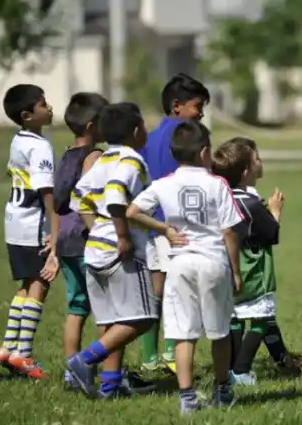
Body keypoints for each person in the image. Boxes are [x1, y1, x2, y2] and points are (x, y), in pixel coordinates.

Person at [65, 102, 187, 399]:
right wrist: (121, 235)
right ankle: (84, 360)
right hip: (122, 252)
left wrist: (97, 230)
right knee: (142, 317)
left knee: (110, 321)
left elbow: (79, 197)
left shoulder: (103, 159)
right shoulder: (131, 161)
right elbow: (117, 196)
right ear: (136, 132)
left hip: (95, 250)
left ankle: (109, 386)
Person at [127, 120, 243, 415]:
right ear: (205, 152)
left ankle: (187, 398)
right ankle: (222, 390)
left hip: (179, 264)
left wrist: (164, 229)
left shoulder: (163, 184)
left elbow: (132, 212)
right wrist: (236, 270)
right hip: (213, 262)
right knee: (219, 332)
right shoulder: (218, 184)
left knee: (183, 334)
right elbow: (229, 231)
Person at [212, 139, 302, 386]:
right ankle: (242, 370)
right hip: (253, 270)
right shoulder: (251, 203)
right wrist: (275, 211)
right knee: (260, 318)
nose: (260, 163)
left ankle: (235, 366)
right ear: (245, 172)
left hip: (224, 268)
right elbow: (271, 234)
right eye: (257, 160)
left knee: (233, 317)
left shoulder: (218, 197)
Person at [139, 73, 211, 374]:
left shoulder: (148, 138)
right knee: (178, 291)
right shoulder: (185, 139)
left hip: (151, 226)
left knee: (156, 290)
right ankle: (172, 352)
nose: (201, 113)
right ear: (177, 106)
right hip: (177, 228)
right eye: (198, 106)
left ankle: (149, 357)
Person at [0, 84, 60, 380]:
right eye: (42, 104)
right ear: (27, 115)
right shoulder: (40, 146)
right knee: (41, 282)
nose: (49, 107)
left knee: (26, 282)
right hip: (33, 223)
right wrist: (56, 236)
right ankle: (23, 353)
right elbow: (47, 193)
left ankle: (8, 347)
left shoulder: (18, 139)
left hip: (13, 220)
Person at [53, 92, 108, 391]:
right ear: (91, 125)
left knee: (76, 308)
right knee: (105, 309)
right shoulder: (94, 156)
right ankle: (110, 370)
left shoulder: (66, 154)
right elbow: (92, 196)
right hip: (87, 239)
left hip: (66, 240)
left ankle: (71, 371)